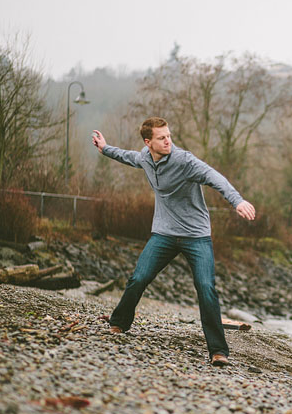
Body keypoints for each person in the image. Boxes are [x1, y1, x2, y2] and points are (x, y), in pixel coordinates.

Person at [91, 117, 255, 367]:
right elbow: (128, 157)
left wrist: (237, 201)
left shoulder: (184, 160)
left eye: (169, 135)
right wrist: (105, 148)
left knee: (205, 288)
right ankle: (119, 323)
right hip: (164, 233)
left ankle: (218, 351)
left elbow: (214, 177)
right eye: (161, 138)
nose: (168, 141)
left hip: (196, 236)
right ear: (149, 143)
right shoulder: (146, 158)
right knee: (139, 278)